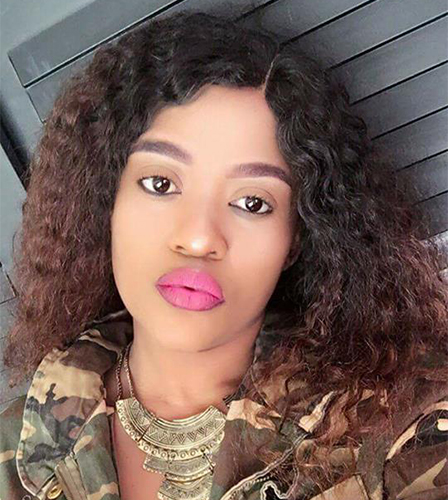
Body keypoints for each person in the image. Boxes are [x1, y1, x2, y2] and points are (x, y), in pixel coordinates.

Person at [1, 10, 447, 500]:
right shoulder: (12, 450)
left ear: (296, 238)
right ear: (107, 202)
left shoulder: (397, 421)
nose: (199, 239)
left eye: (252, 203)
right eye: (160, 183)